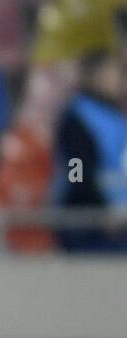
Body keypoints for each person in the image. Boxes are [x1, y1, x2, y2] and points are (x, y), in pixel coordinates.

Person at [53, 51, 127, 252]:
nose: (120, 80)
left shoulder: (113, 116)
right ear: (96, 76)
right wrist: (98, 211)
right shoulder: (77, 120)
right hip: (89, 224)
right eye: (115, 73)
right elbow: (75, 171)